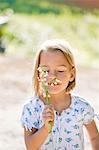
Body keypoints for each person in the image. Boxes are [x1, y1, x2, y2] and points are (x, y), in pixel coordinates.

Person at [21, 39, 99, 150]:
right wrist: (45, 128)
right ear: (38, 74)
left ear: (71, 74)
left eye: (60, 71)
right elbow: (30, 146)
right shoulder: (32, 108)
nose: (52, 76)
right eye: (45, 70)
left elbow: (95, 137)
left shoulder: (81, 107)